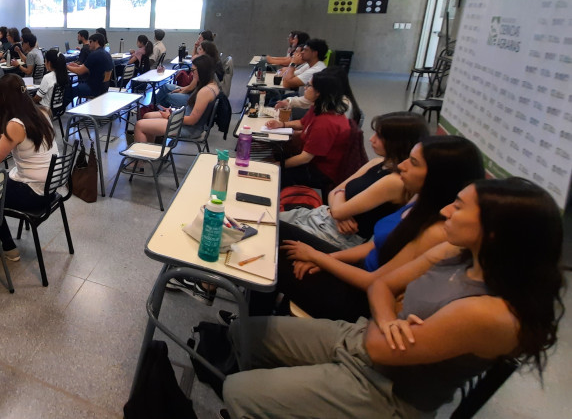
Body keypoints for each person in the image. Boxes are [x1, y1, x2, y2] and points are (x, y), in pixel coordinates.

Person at [223, 177, 564, 419]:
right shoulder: (455, 251)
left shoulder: (492, 313)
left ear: (493, 232)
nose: (446, 211)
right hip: (363, 336)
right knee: (240, 334)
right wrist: (390, 318)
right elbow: (381, 287)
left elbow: (379, 344)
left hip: (387, 392)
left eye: (459, 208)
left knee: (237, 391)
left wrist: (387, 314)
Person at [272, 135, 485, 321]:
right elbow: (371, 247)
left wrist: (319, 259)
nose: (402, 165)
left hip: (360, 298)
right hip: (358, 270)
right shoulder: (419, 200)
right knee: (274, 230)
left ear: (439, 176)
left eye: (413, 163)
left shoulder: (436, 231)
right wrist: (326, 259)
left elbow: (377, 282)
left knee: (271, 260)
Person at [279, 112, 429, 250]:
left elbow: (337, 204)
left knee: (272, 229)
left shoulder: (395, 181)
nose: (371, 139)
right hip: (323, 217)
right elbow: (334, 193)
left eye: (379, 136)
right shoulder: (377, 162)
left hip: (335, 237)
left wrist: (339, 205)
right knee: (265, 218)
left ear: (398, 142)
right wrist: (340, 209)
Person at [0, 74, 60, 262]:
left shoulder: (15, 125)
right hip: (48, 187)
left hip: (33, 193)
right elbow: (27, 138)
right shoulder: (41, 112)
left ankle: (7, 247)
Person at [268, 69, 353, 189]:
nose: (305, 88)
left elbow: (305, 158)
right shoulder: (319, 107)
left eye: (309, 86)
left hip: (321, 171)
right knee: (275, 150)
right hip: (312, 161)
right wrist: (281, 124)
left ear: (319, 92)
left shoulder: (326, 123)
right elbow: (303, 123)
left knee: (274, 172)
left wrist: (277, 165)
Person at [134, 54, 219, 143]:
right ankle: (151, 150)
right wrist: (173, 112)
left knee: (139, 125)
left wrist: (170, 116)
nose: (192, 73)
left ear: (202, 71)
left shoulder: (205, 91)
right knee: (148, 116)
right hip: (187, 124)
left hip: (189, 129)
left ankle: (143, 154)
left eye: (193, 70)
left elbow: (192, 120)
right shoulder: (212, 85)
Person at [68, 33, 112, 98]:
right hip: (103, 88)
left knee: (69, 91)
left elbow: (79, 71)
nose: (89, 44)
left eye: (90, 41)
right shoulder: (107, 54)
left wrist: (65, 66)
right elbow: (91, 69)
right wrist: (78, 66)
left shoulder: (94, 54)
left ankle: (60, 108)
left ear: (96, 41)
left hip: (93, 88)